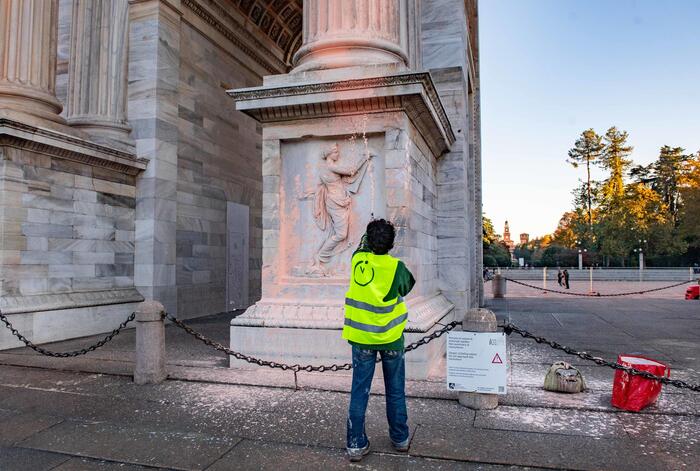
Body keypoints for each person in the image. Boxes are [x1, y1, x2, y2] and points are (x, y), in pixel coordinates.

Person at [342, 219, 415, 462]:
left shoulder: (357, 261)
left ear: (367, 241)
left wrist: (368, 238)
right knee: (395, 390)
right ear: (392, 244)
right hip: (391, 338)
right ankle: (400, 438)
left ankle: (355, 443)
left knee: (359, 391)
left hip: (361, 338)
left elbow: (360, 247)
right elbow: (407, 288)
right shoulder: (397, 267)